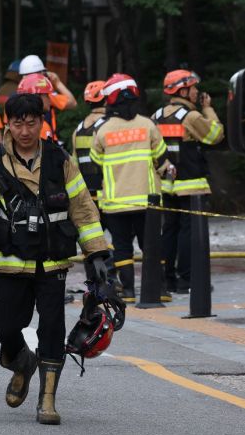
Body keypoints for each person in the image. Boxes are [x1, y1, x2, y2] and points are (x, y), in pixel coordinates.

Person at [0, 92, 109, 425]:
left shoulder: (60, 160)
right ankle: (21, 363)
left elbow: (83, 209)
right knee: (6, 324)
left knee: (52, 329)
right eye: (18, 123)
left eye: (32, 123)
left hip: (52, 261)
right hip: (10, 261)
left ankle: (47, 401)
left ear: (41, 123)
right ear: (8, 123)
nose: (25, 131)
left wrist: (97, 253)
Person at [90, 74, 174, 303]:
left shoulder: (103, 130)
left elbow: (95, 158)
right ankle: (161, 290)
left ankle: (128, 292)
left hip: (116, 202)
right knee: (151, 246)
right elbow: (161, 157)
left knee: (122, 248)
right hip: (147, 201)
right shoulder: (148, 126)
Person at [153, 70, 224, 294]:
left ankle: (168, 279)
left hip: (167, 183)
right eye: (193, 88)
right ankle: (187, 280)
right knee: (188, 232)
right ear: (182, 90)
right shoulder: (191, 116)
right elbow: (215, 135)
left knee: (169, 231)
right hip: (191, 183)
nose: (196, 92)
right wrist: (208, 108)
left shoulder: (156, 116)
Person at [71, 80, 120, 292]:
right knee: (120, 239)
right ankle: (111, 278)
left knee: (90, 240)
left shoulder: (79, 130)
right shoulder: (110, 126)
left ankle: (95, 282)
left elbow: (73, 166)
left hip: (87, 196)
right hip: (109, 192)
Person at [19, 55, 77, 140]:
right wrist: (57, 83)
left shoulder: (13, 100)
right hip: (46, 143)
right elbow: (73, 103)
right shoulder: (45, 96)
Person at [15, 73, 59, 141]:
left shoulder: (16, 125)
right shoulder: (40, 126)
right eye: (47, 95)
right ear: (37, 97)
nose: (50, 100)